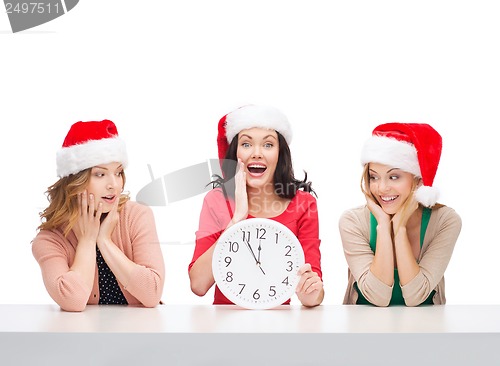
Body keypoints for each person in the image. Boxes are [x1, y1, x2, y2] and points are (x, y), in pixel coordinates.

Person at [189, 105, 324, 307]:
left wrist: (310, 292)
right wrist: (237, 220)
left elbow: (314, 292)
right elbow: (198, 285)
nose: (257, 153)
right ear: (235, 153)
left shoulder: (303, 204)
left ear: (280, 154)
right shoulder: (216, 201)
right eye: (246, 144)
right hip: (224, 323)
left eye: (268, 145)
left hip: (280, 323)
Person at [32, 119, 165, 312]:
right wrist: (87, 240)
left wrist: (104, 241)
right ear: (75, 181)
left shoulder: (136, 216)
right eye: (100, 175)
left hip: (140, 332)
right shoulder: (50, 239)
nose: (114, 185)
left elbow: (152, 293)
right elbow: (73, 301)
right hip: (84, 338)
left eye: (118, 173)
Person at [339, 122, 461, 306]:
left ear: (418, 180)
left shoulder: (445, 221)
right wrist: (382, 224)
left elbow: (415, 297)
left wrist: (399, 227)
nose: (381, 188)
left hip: (426, 329)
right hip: (364, 329)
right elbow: (378, 297)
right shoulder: (353, 221)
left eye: (394, 177)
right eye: (374, 177)